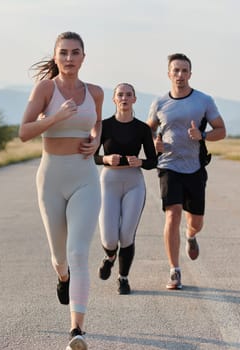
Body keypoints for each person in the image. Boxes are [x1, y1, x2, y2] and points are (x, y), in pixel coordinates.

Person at [18, 31, 103, 350]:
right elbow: (23, 131)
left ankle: (76, 330)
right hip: (51, 176)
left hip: (85, 177)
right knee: (59, 257)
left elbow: (97, 125)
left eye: (75, 52)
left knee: (79, 252)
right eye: (63, 53)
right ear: (56, 57)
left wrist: (96, 139)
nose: (69, 58)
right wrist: (56, 117)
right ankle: (63, 277)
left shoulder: (95, 92)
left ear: (84, 57)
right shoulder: (44, 89)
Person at [146, 53, 226, 290]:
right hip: (168, 165)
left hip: (195, 167)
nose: (180, 75)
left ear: (190, 74)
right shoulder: (159, 103)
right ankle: (174, 270)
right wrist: (154, 144)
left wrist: (202, 135)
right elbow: (147, 131)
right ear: (168, 73)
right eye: (176, 70)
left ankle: (191, 236)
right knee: (172, 215)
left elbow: (221, 130)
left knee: (196, 221)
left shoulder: (204, 101)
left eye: (184, 71)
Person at [94, 83, 157, 295]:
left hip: (134, 184)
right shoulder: (104, 126)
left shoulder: (142, 129)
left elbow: (153, 161)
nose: (124, 98)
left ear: (134, 99)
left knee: (127, 236)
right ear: (114, 99)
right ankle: (110, 256)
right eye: (120, 95)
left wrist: (140, 162)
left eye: (128, 95)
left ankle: (123, 278)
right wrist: (105, 158)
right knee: (109, 238)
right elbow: (92, 157)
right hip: (108, 182)